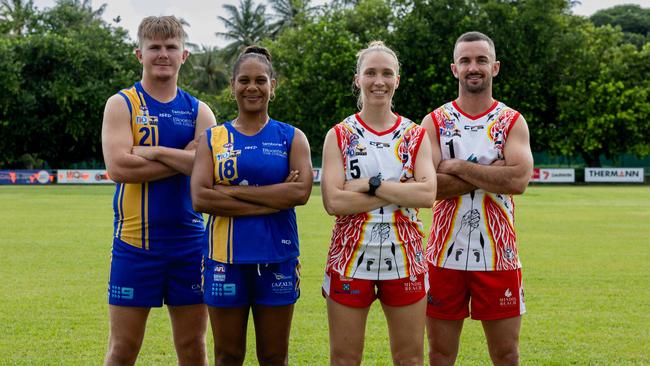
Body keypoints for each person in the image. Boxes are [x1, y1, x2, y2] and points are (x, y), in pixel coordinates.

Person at [101, 16, 216, 366]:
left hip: (190, 247)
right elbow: (119, 168)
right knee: (123, 349)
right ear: (139, 54)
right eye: (154, 47)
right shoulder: (121, 104)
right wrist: (185, 158)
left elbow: (205, 174)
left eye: (171, 47)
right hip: (135, 246)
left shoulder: (200, 111)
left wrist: (150, 152)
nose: (162, 54)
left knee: (193, 346)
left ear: (184, 55)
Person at [190, 45, 313, 366]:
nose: (252, 87)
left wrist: (230, 193)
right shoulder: (212, 138)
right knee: (227, 356)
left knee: (274, 357)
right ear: (232, 85)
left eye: (261, 80)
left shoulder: (292, 137)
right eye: (244, 80)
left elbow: (300, 193)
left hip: (277, 257)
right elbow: (201, 198)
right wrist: (274, 196)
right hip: (224, 259)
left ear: (273, 85)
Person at [421, 31, 534, 366]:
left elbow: (517, 179)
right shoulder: (435, 122)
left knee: (506, 354)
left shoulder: (511, 121)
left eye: (481, 60)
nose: (474, 67)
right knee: (440, 355)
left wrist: (454, 166)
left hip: (499, 256)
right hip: (443, 256)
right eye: (466, 60)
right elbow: (429, 188)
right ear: (454, 69)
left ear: (494, 67)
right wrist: (489, 171)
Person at [321, 41, 437, 366]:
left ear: (397, 80)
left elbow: (427, 195)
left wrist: (369, 186)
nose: (379, 81)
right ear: (357, 79)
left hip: (406, 259)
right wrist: (400, 190)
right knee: (344, 359)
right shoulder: (340, 135)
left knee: (410, 359)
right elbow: (333, 201)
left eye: (387, 73)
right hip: (349, 259)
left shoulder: (415, 135)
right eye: (370, 73)